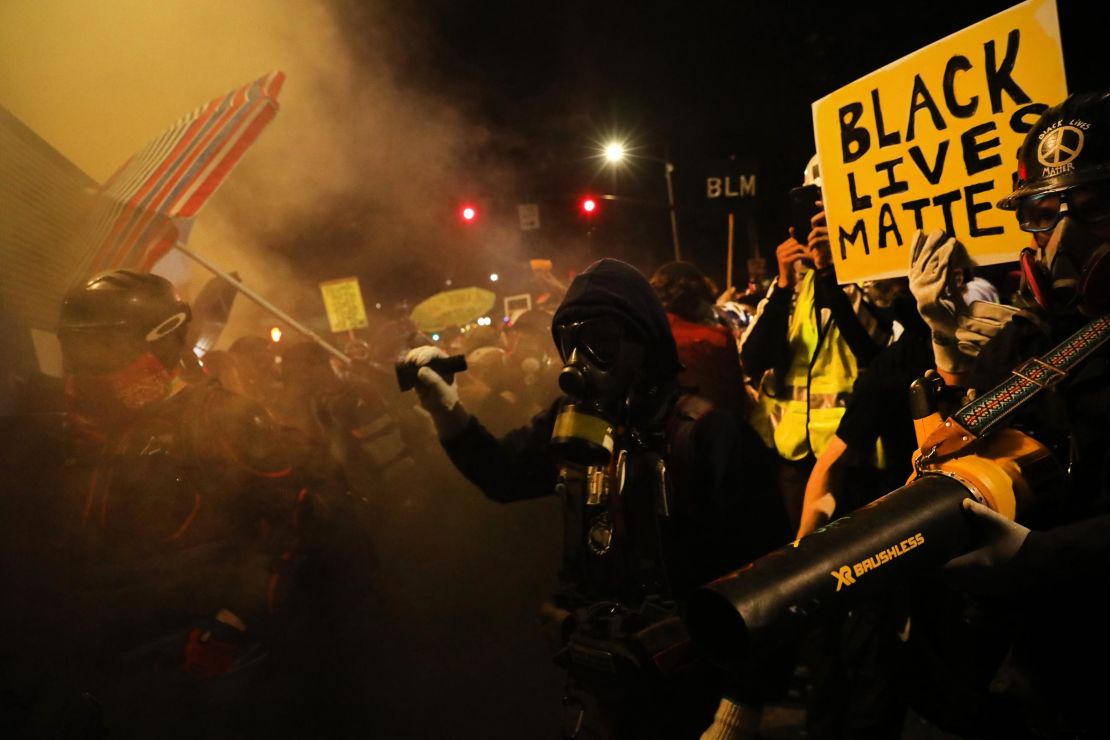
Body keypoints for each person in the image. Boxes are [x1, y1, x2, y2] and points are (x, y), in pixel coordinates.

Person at [405, 258, 791, 740]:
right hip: (608, 686)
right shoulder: (577, 424)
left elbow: (770, 577)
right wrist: (446, 410)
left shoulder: (711, 435)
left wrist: (739, 708)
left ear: (644, 342)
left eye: (601, 341)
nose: (579, 360)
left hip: (694, 689)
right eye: (569, 341)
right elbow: (503, 476)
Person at [0, 270, 374, 737]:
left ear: (163, 344)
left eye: (105, 350)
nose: (86, 370)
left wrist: (237, 622)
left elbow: (317, 528)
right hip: (106, 671)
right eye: (76, 350)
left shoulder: (222, 423)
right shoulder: (67, 437)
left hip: (205, 676)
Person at [923, 91, 1110, 738]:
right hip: (1035, 663)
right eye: (1044, 211)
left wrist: (1049, 557)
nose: (1063, 237)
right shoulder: (1019, 339)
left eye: (1093, 210)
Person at [742, 155, 891, 528]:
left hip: (855, 458)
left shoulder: (873, 275)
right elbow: (753, 358)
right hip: (796, 458)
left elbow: (872, 348)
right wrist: (781, 285)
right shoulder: (794, 285)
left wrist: (831, 272)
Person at [650, 261, 748, 414]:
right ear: (698, 295)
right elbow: (735, 401)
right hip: (708, 429)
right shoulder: (716, 339)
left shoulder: (644, 335)